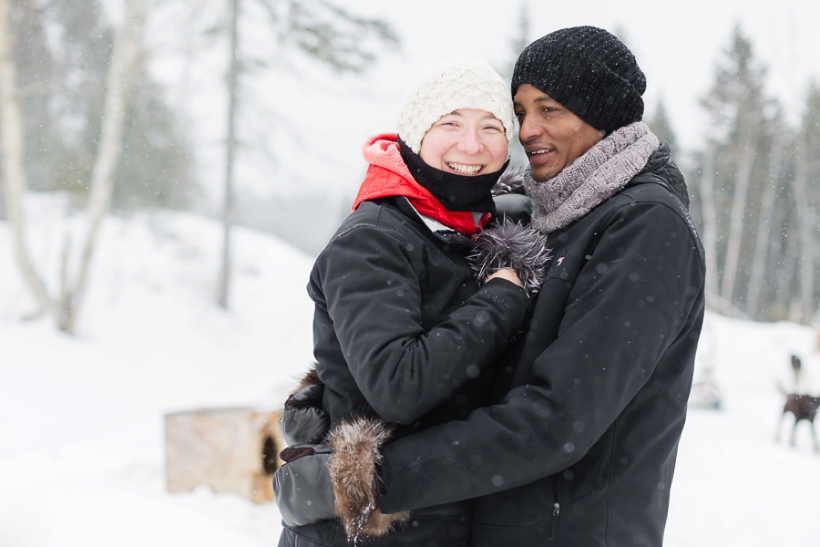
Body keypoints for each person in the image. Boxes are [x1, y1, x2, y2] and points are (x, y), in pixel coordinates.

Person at [276, 26, 706, 547]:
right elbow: (481, 365)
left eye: (549, 110)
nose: (528, 131)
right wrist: (341, 390)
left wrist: (365, 479)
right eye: (521, 113)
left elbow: (557, 418)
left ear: (601, 115)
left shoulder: (644, 226)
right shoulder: (549, 214)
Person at [275, 57, 551, 547]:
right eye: (450, 123)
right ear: (414, 132)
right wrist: (502, 298)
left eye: (491, 127)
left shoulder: (470, 231)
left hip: (435, 522)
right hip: (370, 533)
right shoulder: (373, 241)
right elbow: (398, 386)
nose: (472, 145)